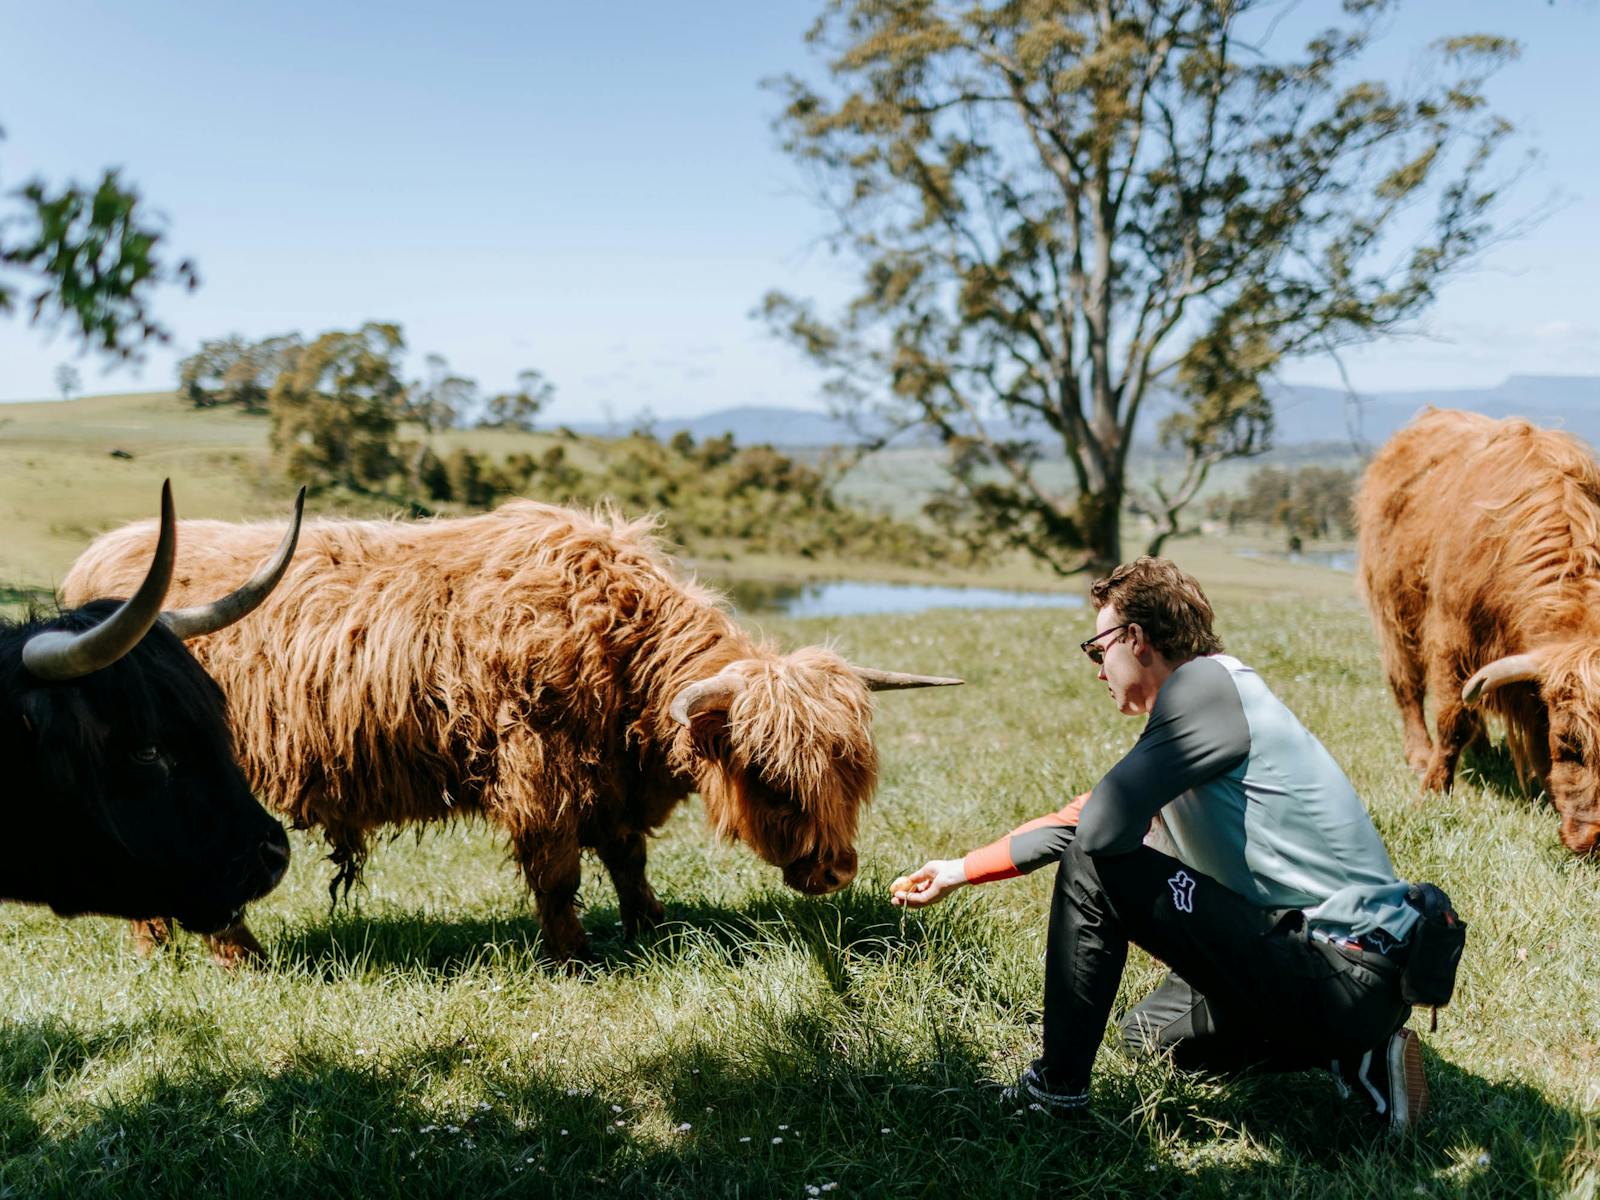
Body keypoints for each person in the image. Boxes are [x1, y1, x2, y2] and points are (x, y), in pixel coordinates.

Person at [892, 557, 1431, 1132]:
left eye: (1098, 650)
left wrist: (1145, 903)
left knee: (1093, 865)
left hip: (1345, 966)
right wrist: (960, 870)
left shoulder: (1204, 686)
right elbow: (1082, 817)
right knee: (1147, 1037)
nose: (1098, 671)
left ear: (1136, 639)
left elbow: (1096, 835)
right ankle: (1359, 1053)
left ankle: (1056, 1094)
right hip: (1339, 970)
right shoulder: (1205, 709)